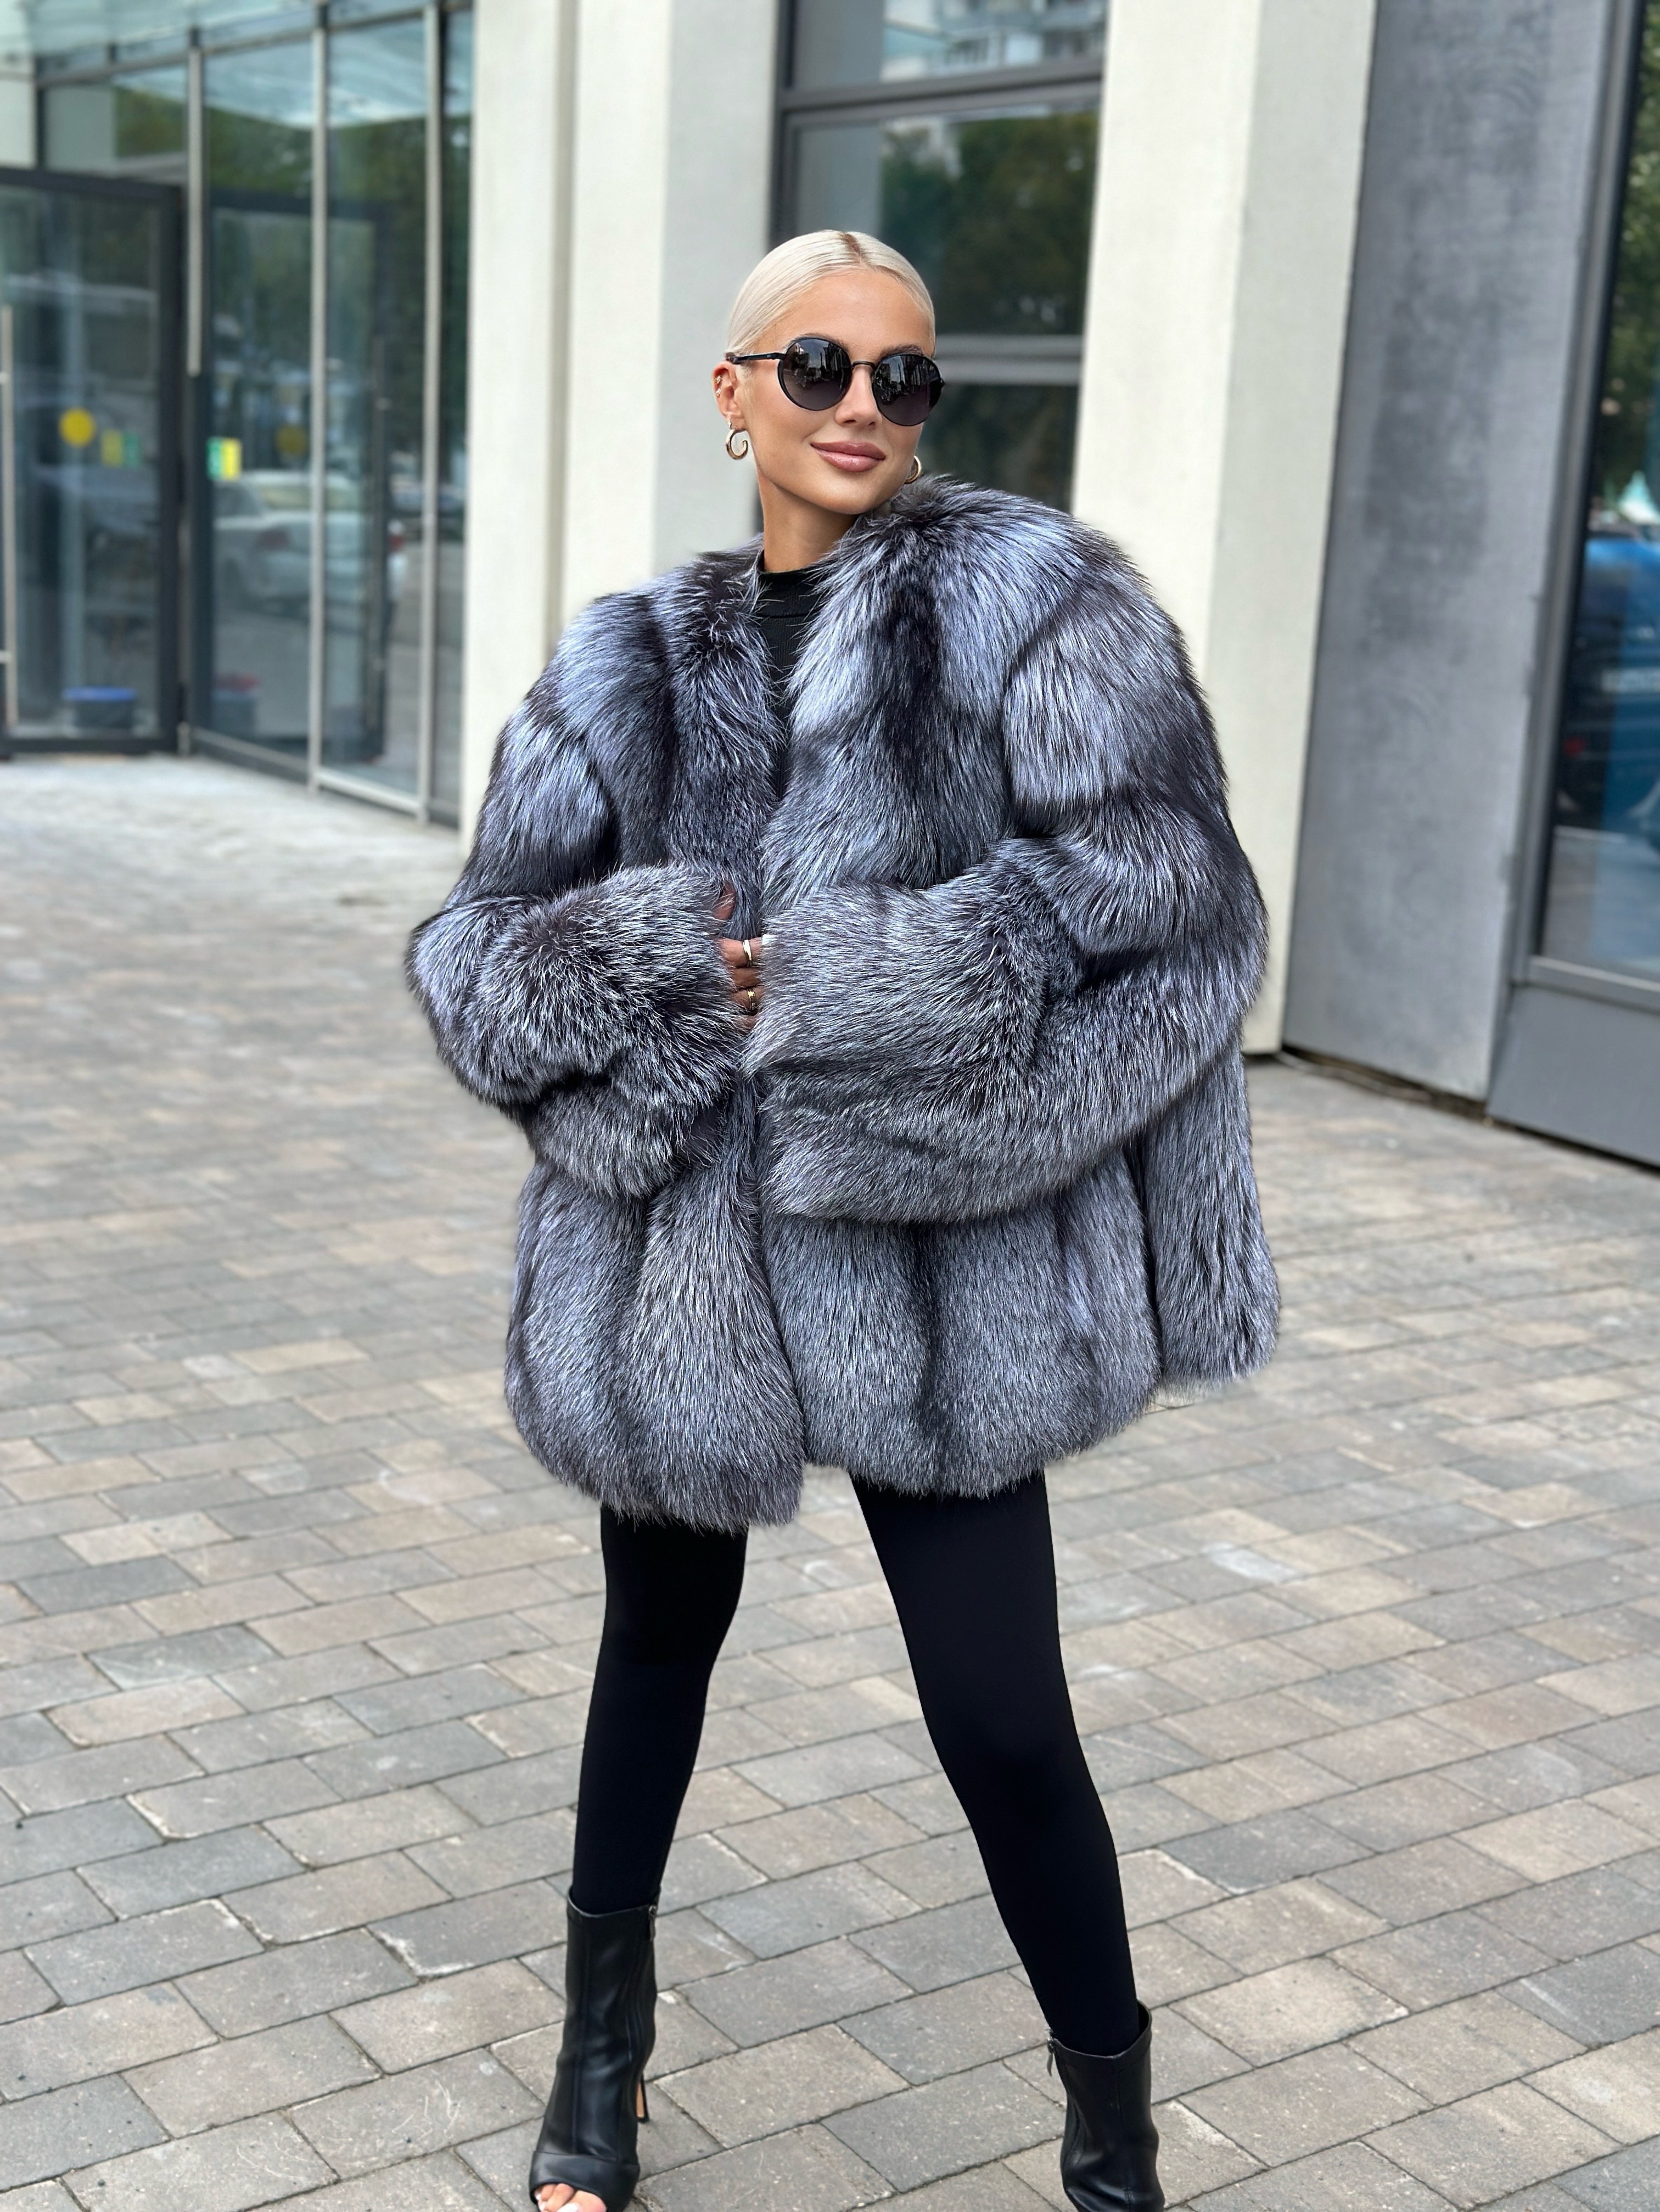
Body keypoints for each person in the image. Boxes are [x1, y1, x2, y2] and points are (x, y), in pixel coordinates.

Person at [408, 228, 1276, 2212]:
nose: (864, 407)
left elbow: (1175, 903)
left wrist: (852, 982)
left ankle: (1116, 2134)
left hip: (935, 1250)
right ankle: (601, 2064)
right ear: (735, 395)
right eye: (818, 367)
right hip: (688, 1263)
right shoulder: (622, 663)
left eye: (905, 376)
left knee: (1001, 1710)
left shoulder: (1041, 610)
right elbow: (478, 956)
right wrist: (660, 970)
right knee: (657, 1647)